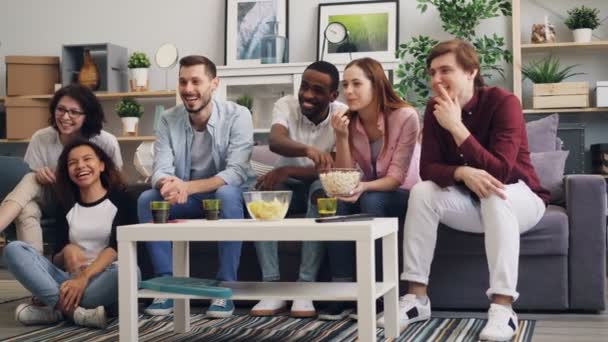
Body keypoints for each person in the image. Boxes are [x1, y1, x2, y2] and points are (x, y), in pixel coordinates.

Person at [395, 39, 549, 341]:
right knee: (423, 192)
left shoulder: (504, 103)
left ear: (471, 72)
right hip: (470, 203)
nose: (436, 79)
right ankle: (416, 299)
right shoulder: (434, 108)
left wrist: (456, 126)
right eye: (432, 72)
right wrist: (462, 171)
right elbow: (428, 170)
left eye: (445, 71)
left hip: (520, 197)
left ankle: (503, 309)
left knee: (494, 192)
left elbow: (501, 171)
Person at [138, 55, 255, 318]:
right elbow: (161, 167)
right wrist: (167, 184)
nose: (188, 89)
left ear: (214, 83)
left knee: (226, 193)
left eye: (195, 81)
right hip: (185, 199)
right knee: (148, 199)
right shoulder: (169, 118)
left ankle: (225, 289)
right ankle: (166, 286)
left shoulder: (239, 115)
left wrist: (188, 186)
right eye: (182, 81)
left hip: (223, 197)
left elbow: (236, 172)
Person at [319, 57, 420, 320]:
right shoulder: (349, 122)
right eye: (345, 85)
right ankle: (342, 291)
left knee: (371, 201)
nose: (348, 91)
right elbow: (345, 176)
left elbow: (397, 178)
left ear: (376, 85)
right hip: (371, 188)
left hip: (406, 193)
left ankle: (375, 293)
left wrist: (361, 187)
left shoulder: (406, 116)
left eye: (356, 84)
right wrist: (341, 137)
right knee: (337, 201)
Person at [3, 139, 136, 329]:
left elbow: (118, 248)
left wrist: (84, 278)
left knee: (130, 272)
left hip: (103, 280)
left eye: (87, 159)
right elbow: (56, 261)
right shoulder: (65, 203)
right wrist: (66, 252)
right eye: (72, 163)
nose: (80, 166)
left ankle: (54, 308)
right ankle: (75, 313)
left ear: (101, 165)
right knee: (14, 249)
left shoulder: (123, 199)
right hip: (68, 281)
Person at [250, 61, 347, 318]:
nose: (307, 95)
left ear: (333, 96)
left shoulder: (342, 115)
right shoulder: (286, 105)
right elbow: (275, 140)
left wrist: (288, 169)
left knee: (321, 190)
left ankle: (305, 286)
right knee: (265, 195)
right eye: (304, 86)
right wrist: (307, 151)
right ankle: (272, 286)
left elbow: (333, 168)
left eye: (317, 90)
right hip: (289, 187)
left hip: (317, 183)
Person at [0, 85, 123, 254]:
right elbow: (32, 186)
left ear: (87, 115)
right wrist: (40, 175)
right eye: (61, 110)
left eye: (74, 112)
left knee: (27, 208)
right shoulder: (41, 138)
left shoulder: (106, 142)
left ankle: (37, 271)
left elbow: (116, 184)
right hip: (54, 198)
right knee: (31, 182)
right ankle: (36, 268)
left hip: (88, 200)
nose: (65, 117)